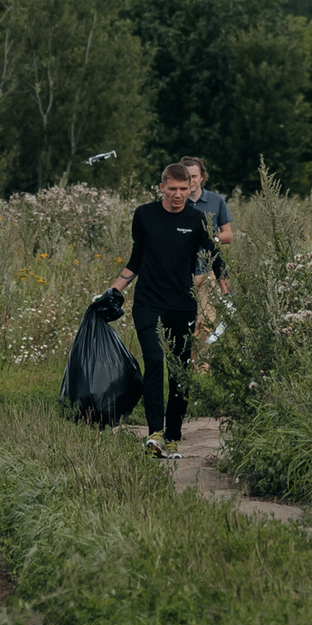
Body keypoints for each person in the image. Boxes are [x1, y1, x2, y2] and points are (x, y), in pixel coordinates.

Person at [106, 163, 227, 459]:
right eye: (172, 188)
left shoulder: (197, 219)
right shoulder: (144, 215)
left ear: (191, 188)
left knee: (179, 371)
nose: (178, 194)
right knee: (154, 362)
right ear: (162, 188)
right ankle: (154, 434)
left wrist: (227, 294)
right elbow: (136, 259)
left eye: (184, 189)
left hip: (182, 305)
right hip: (148, 302)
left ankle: (173, 434)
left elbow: (215, 258)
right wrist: (113, 291)